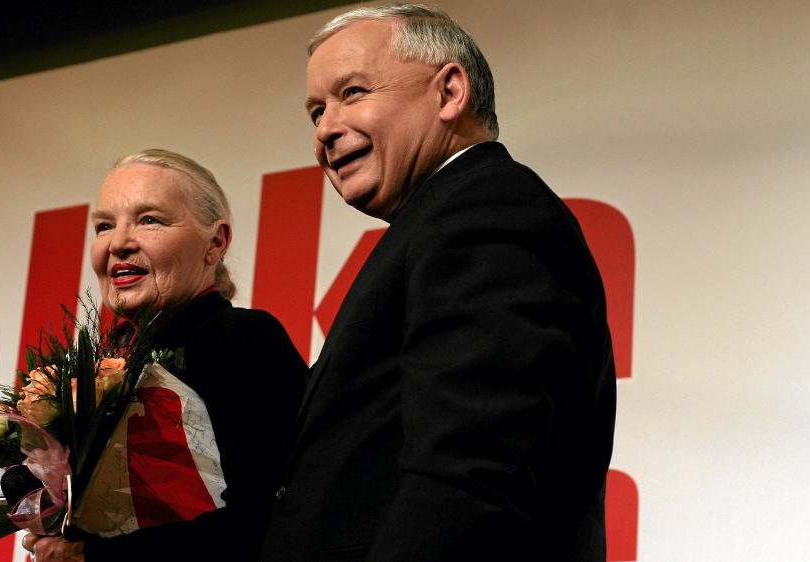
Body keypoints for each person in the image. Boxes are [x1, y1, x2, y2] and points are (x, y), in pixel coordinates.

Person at [260, 4, 616, 561]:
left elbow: (470, 474)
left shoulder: (486, 209)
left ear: (449, 92)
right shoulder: (441, 220)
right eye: (316, 112)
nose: (325, 129)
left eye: (353, 92)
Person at [22, 149, 307, 560]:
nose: (118, 243)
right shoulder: (100, 369)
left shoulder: (244, 340)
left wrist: (89, 556)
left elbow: (265, 521)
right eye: (104, 226)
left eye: (149, 220)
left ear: (215, 243)